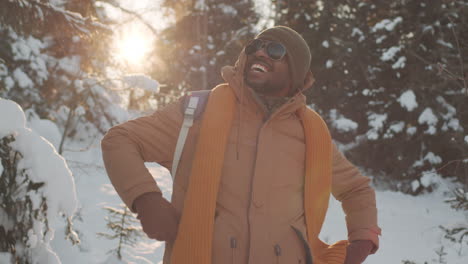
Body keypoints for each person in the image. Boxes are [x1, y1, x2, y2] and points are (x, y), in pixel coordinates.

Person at [101, 26, 381, 264]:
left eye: (275, 51)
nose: (260, 52)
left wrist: (361, 242)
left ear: (295, 72)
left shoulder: (311, 133)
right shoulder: (198, 112)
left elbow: (357, 189)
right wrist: (146, 199)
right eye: (256, 46)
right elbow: (120, 140)